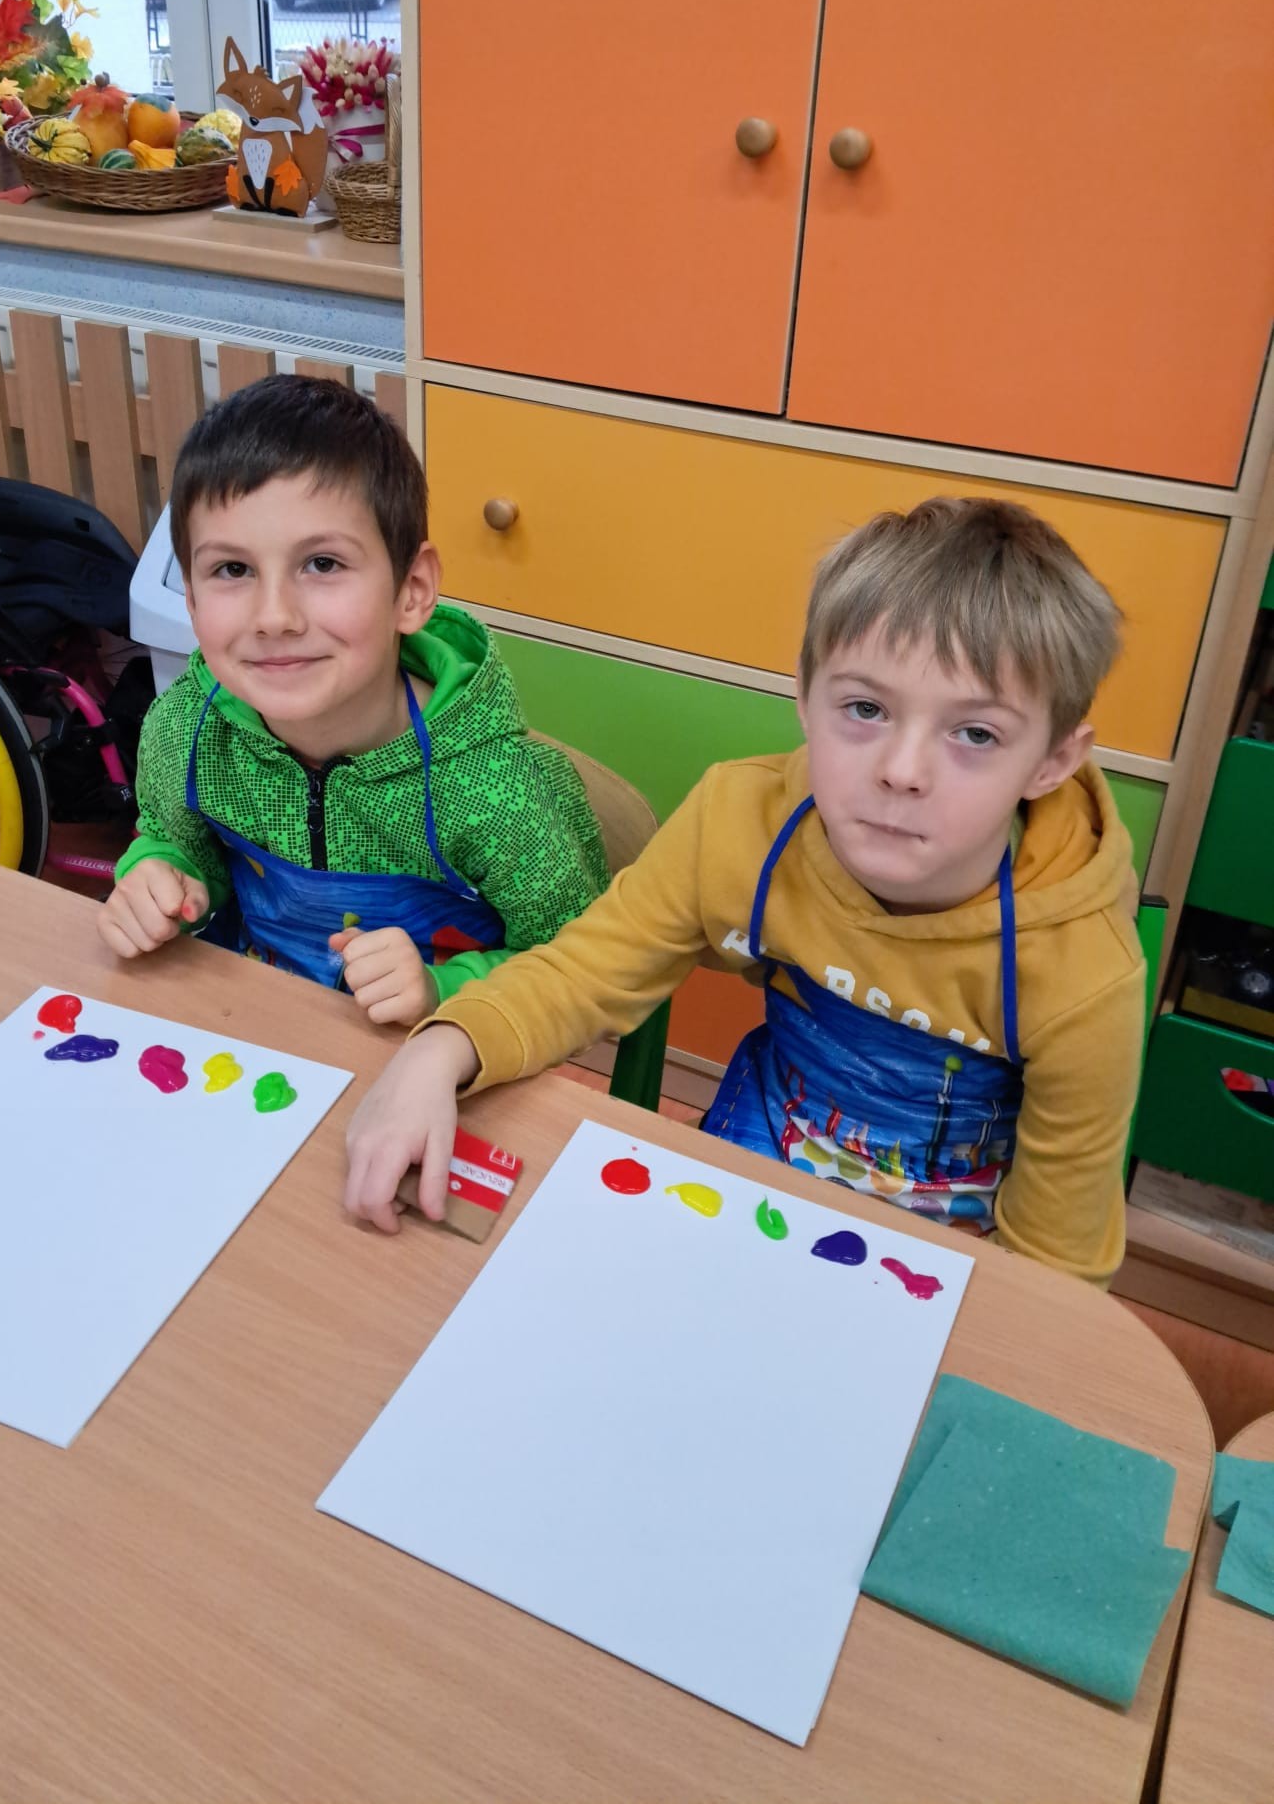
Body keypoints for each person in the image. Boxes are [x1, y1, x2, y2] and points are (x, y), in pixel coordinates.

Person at [344, 496, 1143, 1283]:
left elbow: (1055, 1269)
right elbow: (584, 973)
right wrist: (438, 1052)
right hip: (765, 1155)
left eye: (975, 733)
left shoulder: (1086, 976)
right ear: (805, 697)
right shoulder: (737, 821)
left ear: (1052, 762)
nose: (902, 772)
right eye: (865, 708)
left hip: (949, 1242)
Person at [100, 374, 607, 1023]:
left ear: (411, 590)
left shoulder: (501, 792)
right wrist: (162, 873)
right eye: (232, 569)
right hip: (248, 1039)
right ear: (192, 600)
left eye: (323, 564)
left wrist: (444, 989)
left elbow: (578, 971)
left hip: (435, 1058)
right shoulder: (185, 728)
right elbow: (180, 843)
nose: (275, 617)